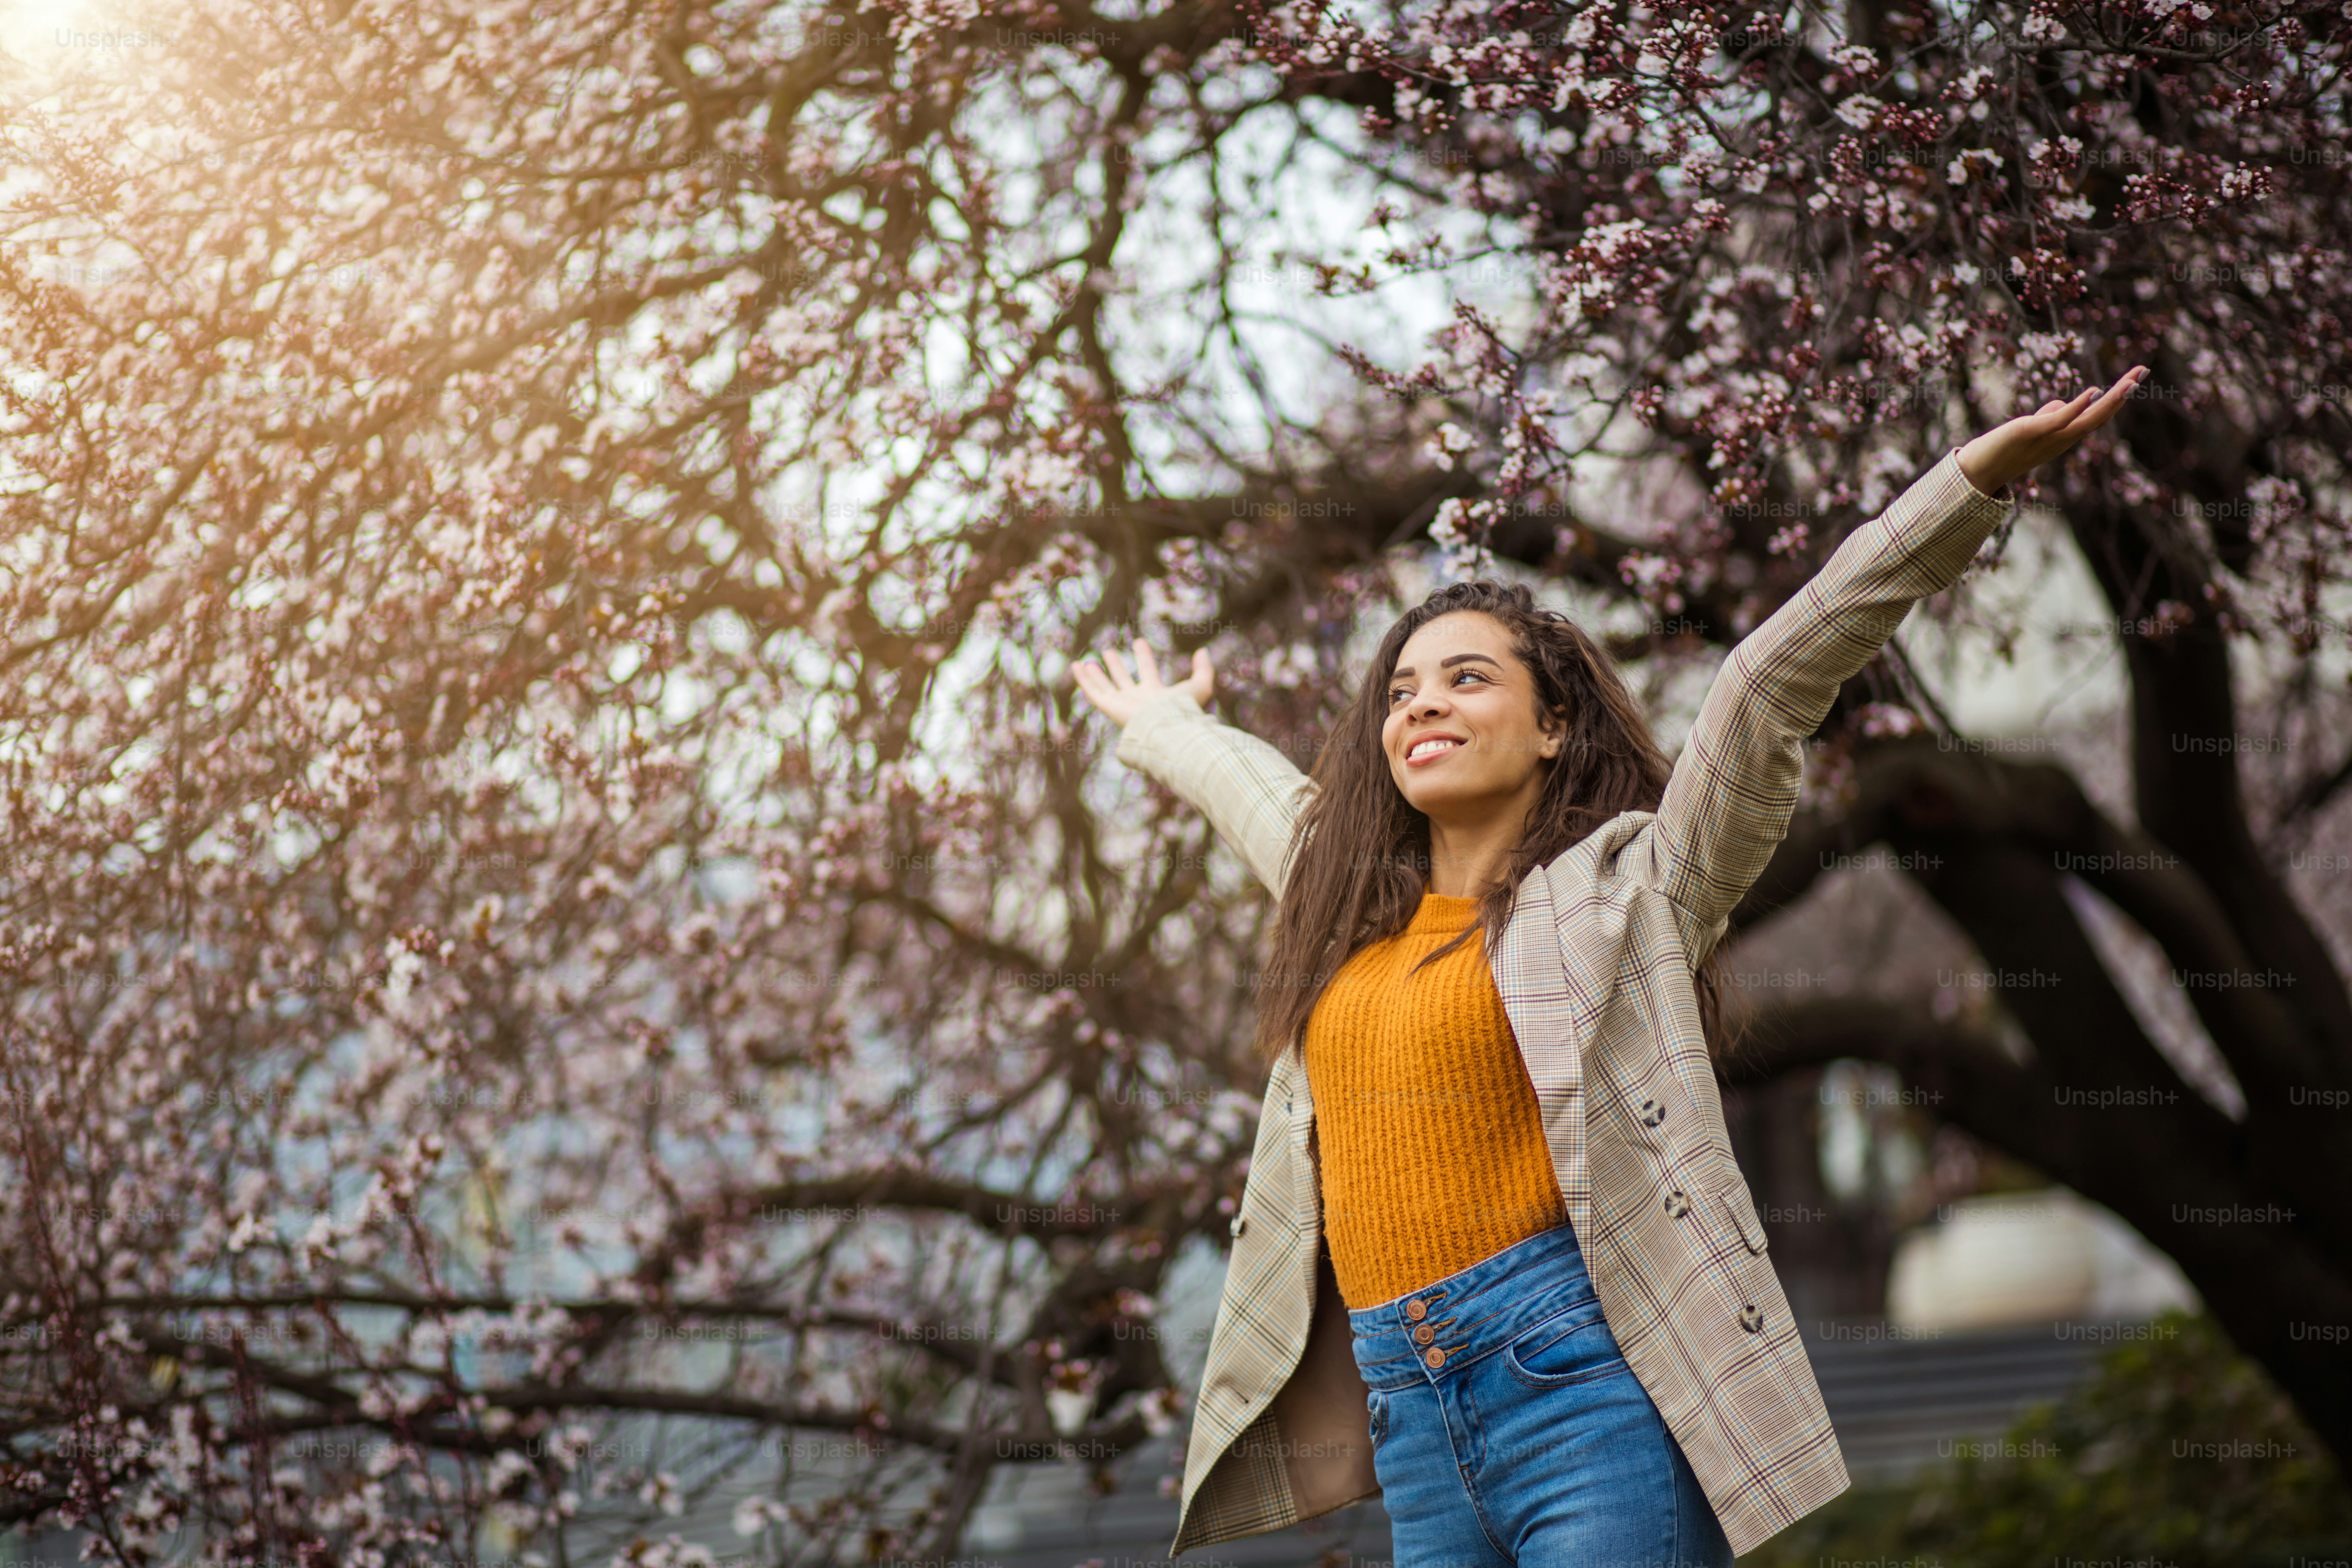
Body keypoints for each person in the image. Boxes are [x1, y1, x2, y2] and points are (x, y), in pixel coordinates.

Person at [1072, 367, 2149, 1566]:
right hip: (1409, 1417)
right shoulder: (1344, 910)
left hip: (1580, 1383)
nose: (1419, 704)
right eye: (1400, 691)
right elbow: (1250, 791)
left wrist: (1967, 484)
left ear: (1551, 726)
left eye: (1465, 677)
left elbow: (1761, 689)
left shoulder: (1628, 895)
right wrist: (1160, 722)